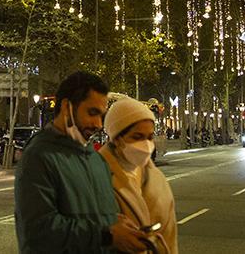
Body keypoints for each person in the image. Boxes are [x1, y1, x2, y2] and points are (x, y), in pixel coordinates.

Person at [15, 71, 149, 253]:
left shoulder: (96, 161)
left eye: (101, 116)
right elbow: (39, 232)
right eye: (92, 113)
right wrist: (107, 234)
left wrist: (116, 223)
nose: (98, 124)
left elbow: (93, 217)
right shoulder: (38, 158)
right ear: (66, 107)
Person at [99, 97, 178, 254]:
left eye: (149, 137)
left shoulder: (157, 179)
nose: (146, 144)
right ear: (117, 139)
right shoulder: (96, 176)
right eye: (137, 137)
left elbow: (170, 236)